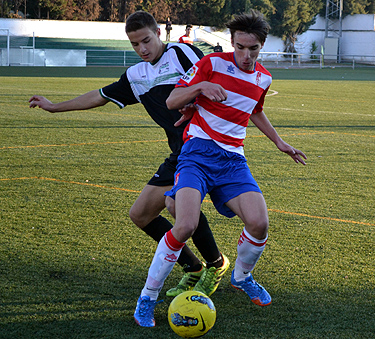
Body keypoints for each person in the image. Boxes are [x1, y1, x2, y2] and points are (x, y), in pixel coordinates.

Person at [28, 10, 229, 310]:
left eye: (146, 40)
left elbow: (212, 78)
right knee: (141, 215)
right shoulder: (137, 76)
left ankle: (215, 265)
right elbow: (99, 96)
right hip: (179, 153)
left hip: (206, 148)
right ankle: (194, 268)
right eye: (135, 45)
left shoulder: (182, 53)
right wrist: (55, 107)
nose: (142, 49)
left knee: (176, 206)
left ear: (159, 33)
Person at [134, 10, 307, 327]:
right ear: (232, 42)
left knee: (259, 223)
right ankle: (147, 297)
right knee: (184, 225)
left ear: (261, 46)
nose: (245, 54)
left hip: (233, 162)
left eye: (252, 48)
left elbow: (255, 111)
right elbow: (173, 100)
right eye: (240, 47)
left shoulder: (263, 78)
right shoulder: (211, 64)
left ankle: (241, 277)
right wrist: (200, 89)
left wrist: (280, 142)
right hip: (197, 155)